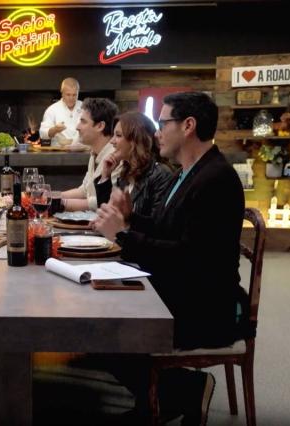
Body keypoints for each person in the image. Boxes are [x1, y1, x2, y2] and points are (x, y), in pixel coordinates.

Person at [91, 92, 249, 425]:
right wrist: (130, 218)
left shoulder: (216, 180)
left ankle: (184, 391)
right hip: (184, 291)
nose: (157, 132)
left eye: (163, 123)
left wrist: (123, 236)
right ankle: (163, 397)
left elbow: (189, 257)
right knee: (96, 314)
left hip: (207, 308)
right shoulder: (188, 173)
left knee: (101, 330)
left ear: (188, 126)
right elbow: (167, 229)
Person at [94, 111, 173, 218]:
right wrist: (105, 177)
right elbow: (107, 216)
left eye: (118, 135)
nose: (112, 141)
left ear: (135, 140)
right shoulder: (125, 175)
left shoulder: (160, 174)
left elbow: (156, 224)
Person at [59, 97, 120, 212]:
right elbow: (85, 190)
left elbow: (103, 201)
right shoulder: (94, 153)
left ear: (100, 126)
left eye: (83, 121)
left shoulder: (115, 157)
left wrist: (59, 203)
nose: (77, 127)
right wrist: (52, 195)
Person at [39, 77, 83, 149]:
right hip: (59, 152)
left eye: (74, 95)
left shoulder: (85, 107)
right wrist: (55, 129)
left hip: (82, 150)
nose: (71, 98)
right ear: (62, 93)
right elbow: (43, 134)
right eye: (68, 95)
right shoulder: (52, 109)